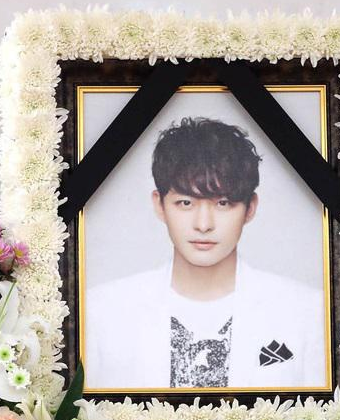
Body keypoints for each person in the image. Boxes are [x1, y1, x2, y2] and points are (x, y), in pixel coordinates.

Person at [86, 117, 326, 389]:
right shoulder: (101, 312)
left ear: (250, 208)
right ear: (159, 205)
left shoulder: (308, 312)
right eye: (185, 203)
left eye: (223, 203)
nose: (203, 225)